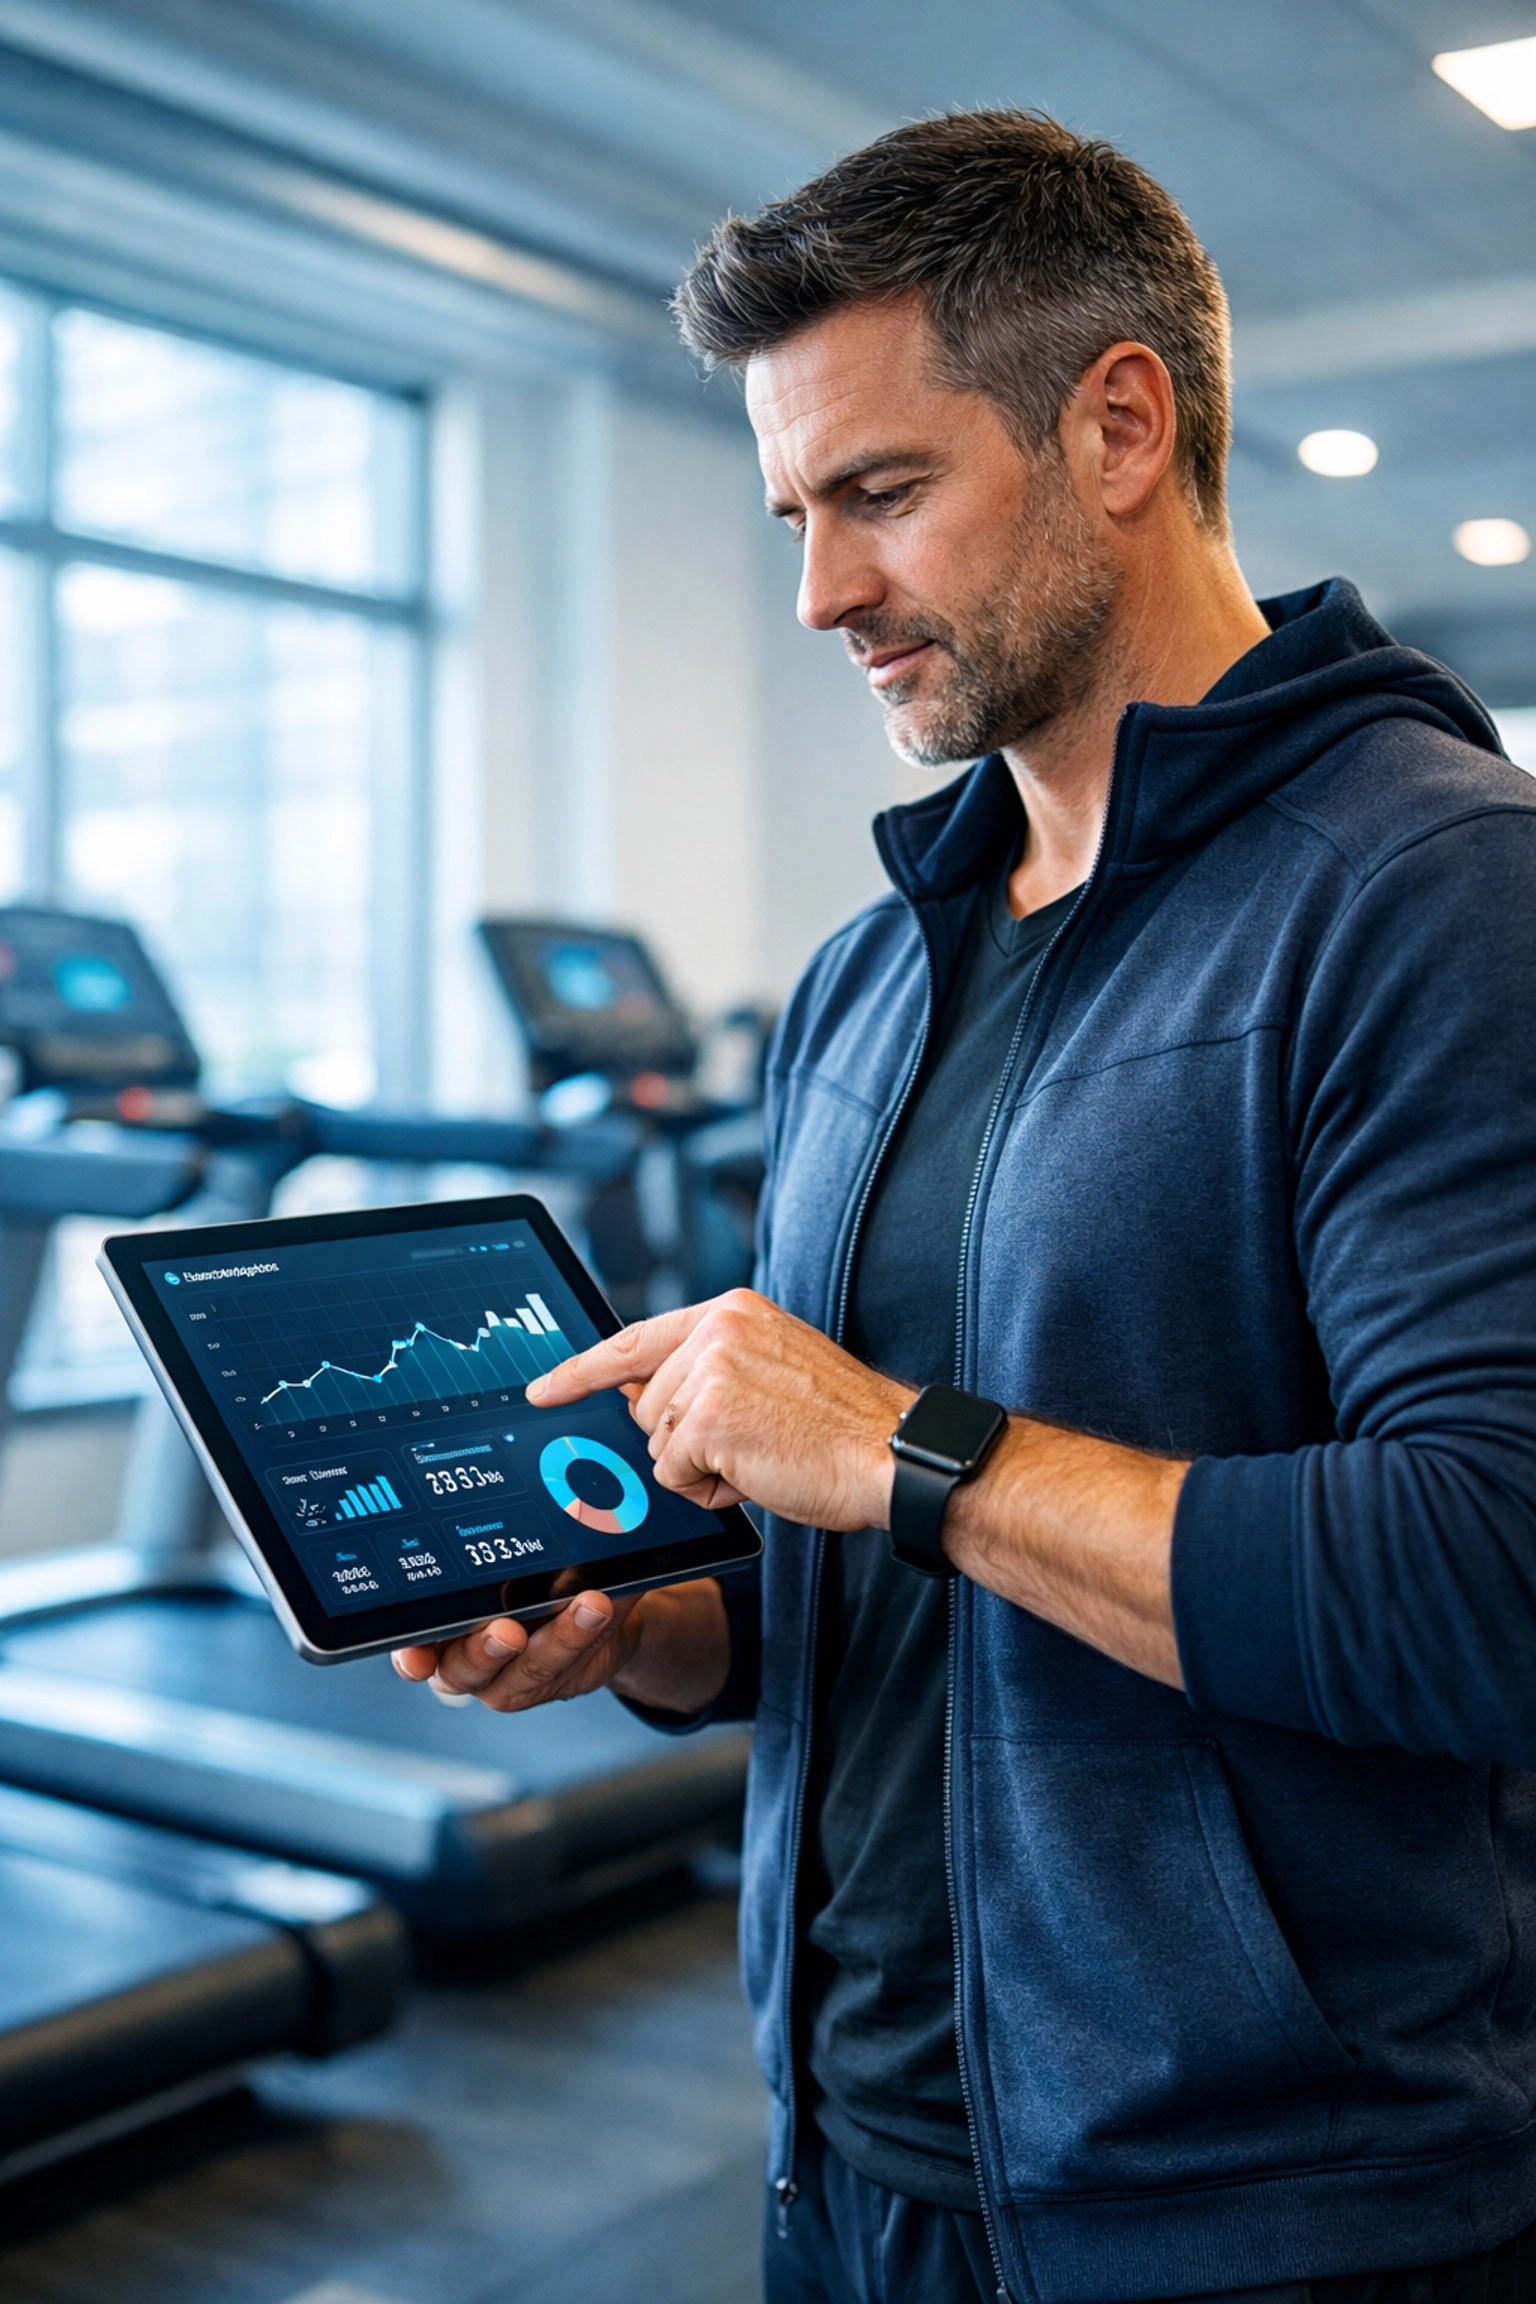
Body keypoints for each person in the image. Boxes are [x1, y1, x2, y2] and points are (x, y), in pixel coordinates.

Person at [394, 111, 1536, 2304]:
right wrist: (645, 1632)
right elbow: (884, 1576)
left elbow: (1488, 1580)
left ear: (1121, 422)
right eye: (794, 514)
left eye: (884, 495)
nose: (822, 592)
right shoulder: (869, 972)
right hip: (857, 2155)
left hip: (1266, 2211)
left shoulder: (1434, 891)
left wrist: (899, 1447)